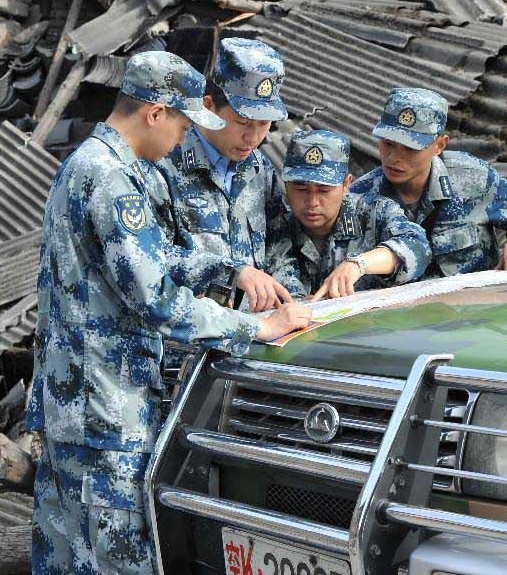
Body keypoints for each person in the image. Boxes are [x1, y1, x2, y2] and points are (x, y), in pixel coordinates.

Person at [25, 51, 310, 574]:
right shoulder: (114, 180)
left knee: (65, 559)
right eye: (182, 123)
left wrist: (229, 271)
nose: (184, 138)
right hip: (108, 410)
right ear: (155, 112)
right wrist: (256, 326)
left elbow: (139, 267)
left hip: (78, 404)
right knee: (122, 559)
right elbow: (158, 301)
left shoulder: (84, 164)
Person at [155, 37, 306, 312]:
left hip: (261, 334)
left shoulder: (260, 168)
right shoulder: (164, 164)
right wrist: (232, 272)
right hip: (191, 343)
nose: (253, 137)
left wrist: (294, 301)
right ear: (208, 107)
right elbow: (150, 257)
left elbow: (279, 252)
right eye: (242, 123)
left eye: (264, 124)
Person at [349, 87, 507, 276]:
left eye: (411, 149)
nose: (394, 158)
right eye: (388, 144)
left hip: (476, 308)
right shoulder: (361, 198)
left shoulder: (473, 178)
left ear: (439, 145)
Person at [281, 130, 431, 298]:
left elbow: (418, 247)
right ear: (286, 186)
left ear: (346, 184)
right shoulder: (277, 226)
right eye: (301, 189)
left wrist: (358, 264)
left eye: (324, 190)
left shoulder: (374, 212)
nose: (312, 202)